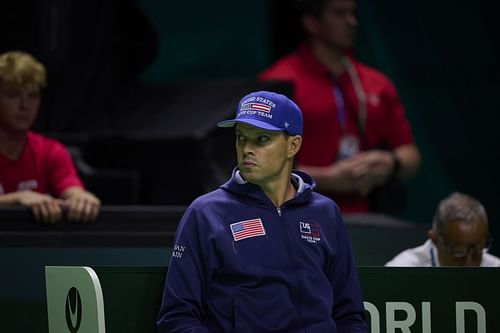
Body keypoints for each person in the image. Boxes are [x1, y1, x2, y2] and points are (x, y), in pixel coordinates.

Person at [157, 91, 367, 332]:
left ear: (293, 145)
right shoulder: (205, 213)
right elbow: (177, 318)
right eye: (240, 138)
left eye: (261, 139)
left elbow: (349, 315)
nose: (246, 149)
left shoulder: (326, 213)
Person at [259, 0, 421, 213]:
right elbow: (258, 164)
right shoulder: (277, 84)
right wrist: (327, 179)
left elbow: (411, 156)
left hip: (369, 222)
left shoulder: (377, 84)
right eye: (339, 13)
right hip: (295, 218)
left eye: (352, 13)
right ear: (311, 23)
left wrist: (390, 163)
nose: (351, 22)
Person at [0, 51, 100, 223]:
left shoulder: (50, 151)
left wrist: (82, 199)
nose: (25, 105)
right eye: (13, 95)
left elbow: (72, 189)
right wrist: (16, 199)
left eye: (33, 96)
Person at [385, 192, 500, 267]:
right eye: (459, 252)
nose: (469, 264)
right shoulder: (403, 271)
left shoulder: (494, 269)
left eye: (479, 249)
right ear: (434, 239)